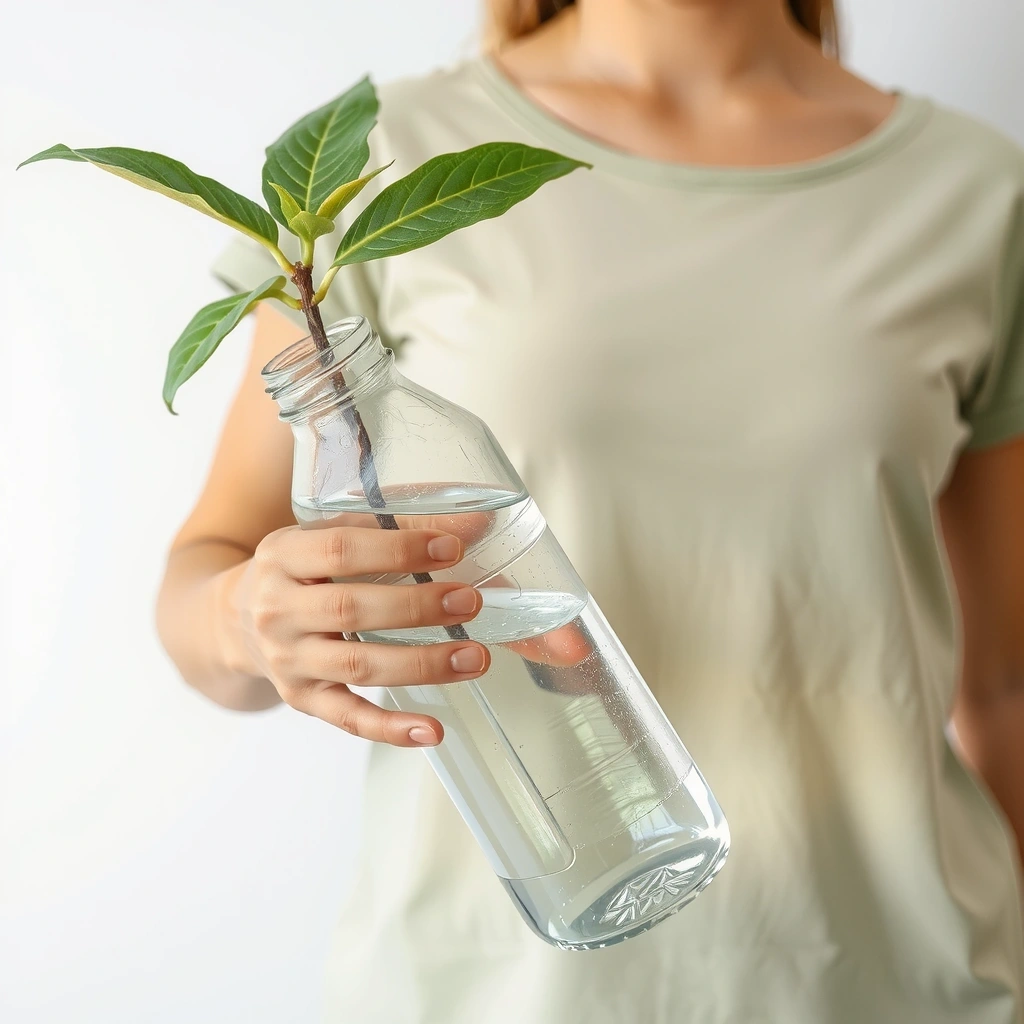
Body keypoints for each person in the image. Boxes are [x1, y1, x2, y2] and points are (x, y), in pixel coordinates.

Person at [156, 1, 1024, 1020]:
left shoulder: (974, 193)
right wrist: (246, 618)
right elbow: (208, 572)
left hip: (889, 982)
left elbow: (1001, 685)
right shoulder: (374, 167)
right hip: (489, 990)